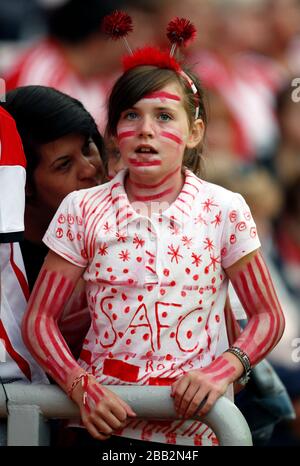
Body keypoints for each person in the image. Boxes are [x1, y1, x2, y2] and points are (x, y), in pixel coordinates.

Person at [22, 21, 285, 447]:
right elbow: (39, 320)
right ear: (113, 134)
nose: (146, 129)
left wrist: (222, 370)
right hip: (102, 426)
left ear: (194, 133)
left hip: (197, 432)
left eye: (164, 116)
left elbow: (268, 316)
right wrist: (79, 386)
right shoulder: (82, 208)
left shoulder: (224, 209)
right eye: (131, 115)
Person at [1, 85, 106, 357]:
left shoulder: (134, 224)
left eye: (88, 147)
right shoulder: (8, 272)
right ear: (22, 182)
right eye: (64, 165)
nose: (89, 168)